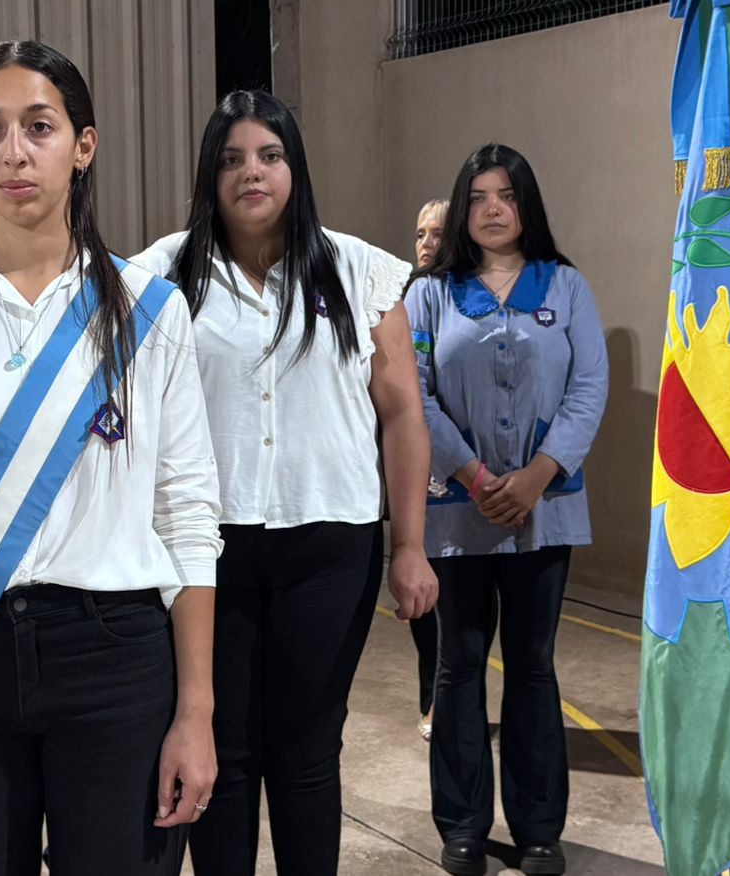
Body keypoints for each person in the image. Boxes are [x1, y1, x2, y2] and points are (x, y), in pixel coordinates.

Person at [0, 40, 220, 874]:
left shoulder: (149, 312)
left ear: (82, 146)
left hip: (114, 654)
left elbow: (187, 516)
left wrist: (196, 711)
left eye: (39, 127)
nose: (14, 152)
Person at [130, 89, 436, 876]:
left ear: (295, 167)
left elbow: (403, 414)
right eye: (231, 159)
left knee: (306, 752)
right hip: (207, 551)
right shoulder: (159, 276)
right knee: (222, 753)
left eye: (269, 155)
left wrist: (410, 545)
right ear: (210, 173)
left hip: (329, 546)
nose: (252, 172)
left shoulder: (361, 272)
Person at [406, 143, 607, 876]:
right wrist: (475, 473)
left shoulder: (567, 286)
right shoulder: (430, 294)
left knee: (532, 666)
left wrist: (537, 476)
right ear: (463, 207)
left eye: (508, 195)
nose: (493, 209)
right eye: (480, 196)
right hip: (455, 511)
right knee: (458, 665)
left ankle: (538, 829)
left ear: (528, 206)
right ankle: (462, 825)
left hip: (544, 512)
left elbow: (589, 387)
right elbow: (413, 393)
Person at [409, 197, 448, 742]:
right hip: (419, 477)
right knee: (420, 603)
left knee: (455, 609)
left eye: (437, 233)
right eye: (420, 234)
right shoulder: (408, 295)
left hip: (459, 477)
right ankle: (430, 699)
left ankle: (446, 702)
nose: (426, 243)